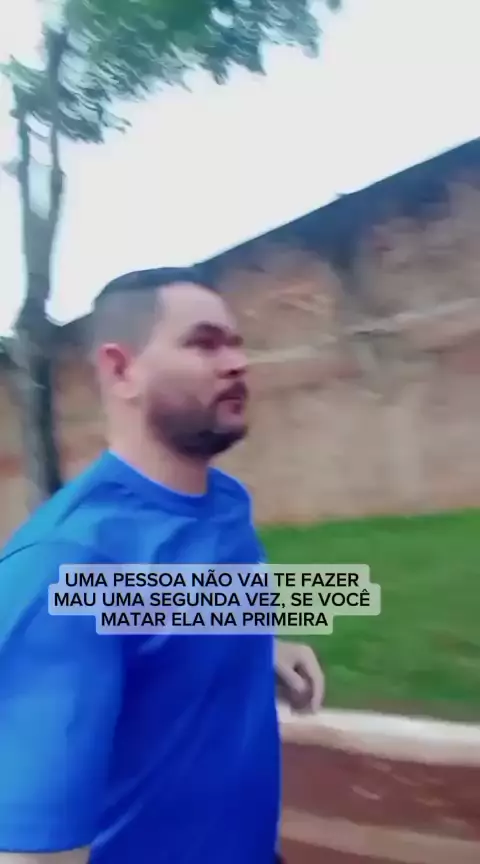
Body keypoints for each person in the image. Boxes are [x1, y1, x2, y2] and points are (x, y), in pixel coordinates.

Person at [0, 267, 324, 864]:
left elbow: (166, 615)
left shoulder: (224, 501)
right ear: (121, 370)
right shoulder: (67, 564)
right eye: (204, 344)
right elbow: (34, 856)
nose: (237, 363)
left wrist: (264, 645)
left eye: (236, 344)